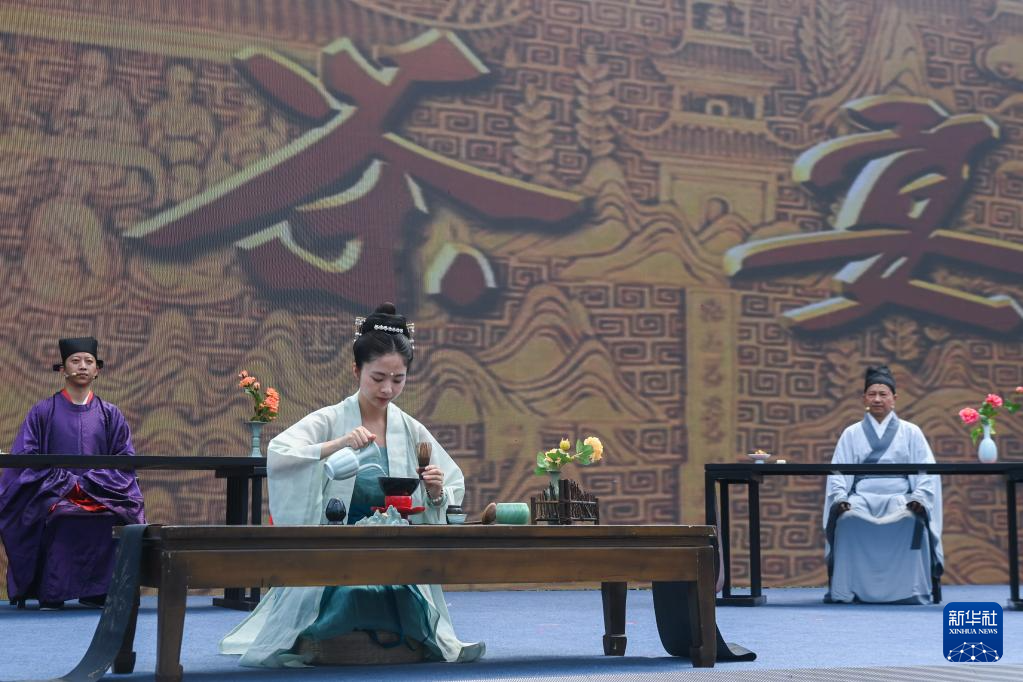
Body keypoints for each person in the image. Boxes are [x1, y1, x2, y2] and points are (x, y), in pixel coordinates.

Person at [220, 303, 484, 667]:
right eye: (378, 378)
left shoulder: (411, 430)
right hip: (337, 549)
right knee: (353, 593)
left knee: (397, 591)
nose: (387, 388)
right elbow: (281, 453)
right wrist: (338, 444)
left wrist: (436, 490)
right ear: (356, 369)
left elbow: (448, 487)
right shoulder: (331, 419)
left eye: (398, 379)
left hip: (394, 551)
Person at [0, 337, 145, 609]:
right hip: (53, 495)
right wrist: (67, 486)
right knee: (63, 516)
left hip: (101, 495)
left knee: (111, 518)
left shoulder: (111, 414)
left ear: (97, 370)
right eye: (75, 361)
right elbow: (27, 458)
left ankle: (98, 592)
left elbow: (124, 461)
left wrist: (87, 486)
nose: (82, 366)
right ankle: (52, 593)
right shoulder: (42, 412)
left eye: (89, 361)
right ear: (63, 369)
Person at [823, 365, 943, 604]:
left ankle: (911, 590)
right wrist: (840, 499)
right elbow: (838, 473)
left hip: (900, 498)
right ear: (864, 399)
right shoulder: (851, 433)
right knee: (846, 520)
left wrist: (919, 499)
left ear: (894, 399)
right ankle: (847, 590)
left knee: (912, 520)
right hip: (861, 498)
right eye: (872, 394)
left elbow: (926, 472)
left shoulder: (911, 432)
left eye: (883, 394)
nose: (877, 399)